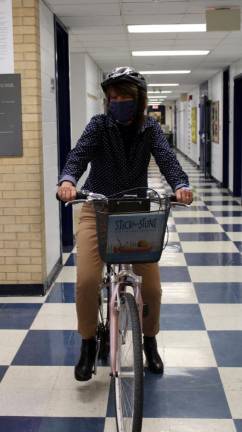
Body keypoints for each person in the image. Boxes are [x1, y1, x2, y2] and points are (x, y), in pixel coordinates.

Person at [57, 66, 193, 381]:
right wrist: (67, 180)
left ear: (139, 99)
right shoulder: (99, 125)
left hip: (136, 211)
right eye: (113, 96)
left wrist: (181, 185)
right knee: (88, 282)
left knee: (154, 289)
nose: (118, 101)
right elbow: (78, 156)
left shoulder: (151, 129)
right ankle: (89, 343)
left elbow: (167, 159)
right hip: (97, 207)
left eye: (125, 96)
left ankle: (149, 341)